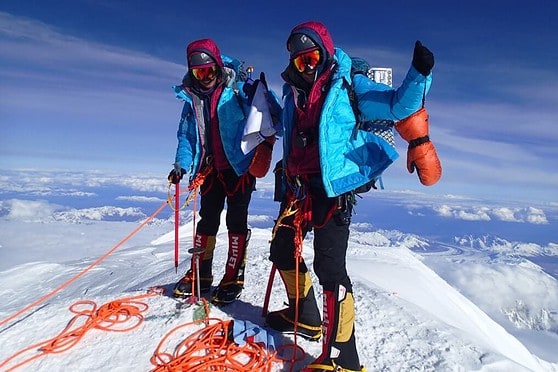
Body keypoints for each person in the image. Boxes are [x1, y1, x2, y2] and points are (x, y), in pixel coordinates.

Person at [266, 21, 438, 371]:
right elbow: (279, 126)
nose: (307, 66)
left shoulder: (348, 85)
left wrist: (419, 73)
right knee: (281, 249)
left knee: (330, 268)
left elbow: (395, 107)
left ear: (325, 53)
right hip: (298, 187)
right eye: (300, 61)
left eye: (312, 57)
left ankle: (343, 357)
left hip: (334, 190)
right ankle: (306, 317)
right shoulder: (291, 94)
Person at [168, 38, 280, 305]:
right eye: (198, 72)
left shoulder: (237, 90)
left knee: (236, 222)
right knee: (207, 220)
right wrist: (181, 164)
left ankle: (232, 278)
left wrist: (260, 93)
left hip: (240, 168)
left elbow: (272, 116)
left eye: (208, 70)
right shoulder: (192, 99)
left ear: (218, 67)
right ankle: (201, 274)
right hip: (210, 168)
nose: (204, 77)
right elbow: (187, 135)